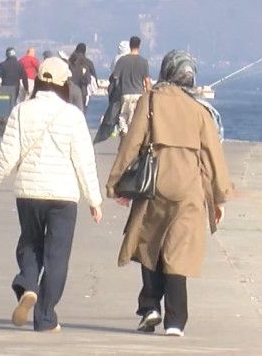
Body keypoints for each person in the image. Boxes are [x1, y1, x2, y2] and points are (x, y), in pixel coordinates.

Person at [0, 56, 103, 332]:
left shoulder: (21, 111)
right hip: (63, 196)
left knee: (30, 243)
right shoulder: (73, 116)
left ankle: (28, 284)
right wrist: (94, 200)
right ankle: (45, 317)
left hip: (29, 192)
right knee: (57, 256)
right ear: (64, 83)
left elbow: (8, 157)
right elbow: (84, 161)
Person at [106, 50, 231, 337]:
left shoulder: (150, 102)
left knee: (149, 245)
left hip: (153, 185)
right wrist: (218, 198)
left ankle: (150, 307)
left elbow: (132, 144)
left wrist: (115, 183)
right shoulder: (201, 112)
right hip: (189, 190)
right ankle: (175, 321)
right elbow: (213, 159)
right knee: (179, 252)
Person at [110, 36, 151, 135]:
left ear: (130, 45)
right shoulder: (144, 62)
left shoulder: (122, 60)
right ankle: (132, 137)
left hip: (125, 93)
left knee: (123, 116)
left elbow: (115, 77)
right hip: (138, 94)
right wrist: (149, 94)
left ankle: (124, 132)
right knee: (134, 118)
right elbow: (147, 81)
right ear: (139, 46)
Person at [0, 47, 24, 116]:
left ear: (7, 54)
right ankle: (13, 117)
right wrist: (26, 87)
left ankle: (5, 118)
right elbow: (24, 77)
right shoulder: (19, 64)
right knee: (13, 103)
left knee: (6, 104)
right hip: (15, 88)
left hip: (6, 88)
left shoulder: (3, 64)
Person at [66, 42, 97, 112]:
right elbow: (94, 77)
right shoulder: (88, 62)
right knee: (81, 112)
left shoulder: (70, 61)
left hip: (69, 90)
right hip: (82, 91)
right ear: (85, 51)